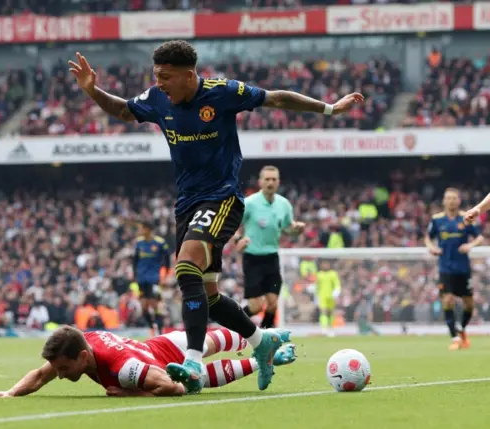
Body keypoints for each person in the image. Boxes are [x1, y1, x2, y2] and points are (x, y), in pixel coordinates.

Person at [68, 40, 363, 393]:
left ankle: (193, 360)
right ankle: (260, 341)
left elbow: (277, 98)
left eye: (165, 77)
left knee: (185, 265)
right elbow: (122, 111)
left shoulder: (222, 92)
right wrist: (92, 90)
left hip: (223, 198)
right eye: (156, 76)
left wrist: (330, 109)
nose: (159, 83)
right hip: (187, 204)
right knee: (207, 296)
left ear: (189, 75)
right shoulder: (157, 98)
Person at [0, 325, 296, 398]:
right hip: (154, 347)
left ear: (83, 357)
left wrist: (128, 392)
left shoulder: (123, 370)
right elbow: (40, 374)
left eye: (64, 369)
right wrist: (10, 393)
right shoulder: (79, 340)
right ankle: (267, 356)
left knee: (195, 374)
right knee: (204, 341)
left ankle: (264, 337)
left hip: (155, 360)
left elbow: (174, 388)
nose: (58, 375)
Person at [234, 166, 305, 329]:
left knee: (273, 304)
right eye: (267, 179)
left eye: (274, 179)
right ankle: (233, 324)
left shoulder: (284, 205)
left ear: (278, 182)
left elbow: (287, 228)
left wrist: (296, 229)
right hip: (252, 258)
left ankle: (267, 338)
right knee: (256, 306)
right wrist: (239, 238)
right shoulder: (250, 203)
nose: (270, 183)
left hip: (272, 257)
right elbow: (232, 225)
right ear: (260, 182)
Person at [425, 188, 484, 350]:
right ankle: (455, 339)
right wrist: (432, 248)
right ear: (444, 201)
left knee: (469, 305)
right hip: (445, 268)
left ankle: (461, 328)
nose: (451, 201)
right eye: (448, 198)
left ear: (458, 201)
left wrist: (469, 245)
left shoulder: (466, 218)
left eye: (454, 198)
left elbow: (479, 236)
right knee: (448, 300)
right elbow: (427, 238)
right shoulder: (437, 220)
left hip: (463, 268)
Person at [133, 221, 170, 336]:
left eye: (142, 228)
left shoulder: (160, 243)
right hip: (141, 279)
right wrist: (135, 276)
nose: (140, 231)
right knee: (143, 307)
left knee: (155, 305)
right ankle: (152, 327)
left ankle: (160, 330)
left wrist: (165, 275)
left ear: (148, 229)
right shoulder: (139, 243)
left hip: (154, 278)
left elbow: (167, 260)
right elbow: (135, 261)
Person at [314, 259, 342, 337]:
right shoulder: (319, 274)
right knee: (323, 312)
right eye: (324, 264)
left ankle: (331, 328)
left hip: (331, 296)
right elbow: (316, 286)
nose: (325, 265)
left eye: (326, 264)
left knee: (331, 313)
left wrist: (336, 292)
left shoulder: (333, 274)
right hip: (322, 296)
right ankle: (324, 328)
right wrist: (315, 296)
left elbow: (337, 284)